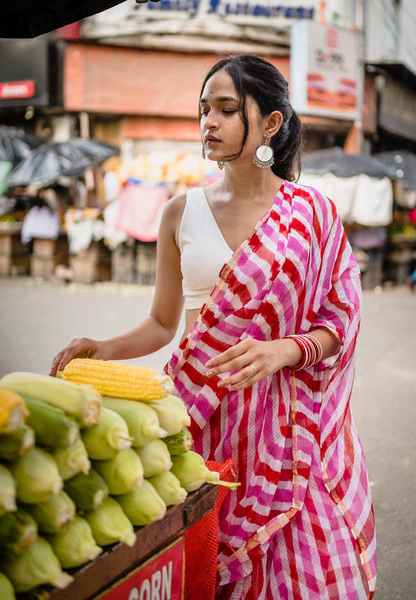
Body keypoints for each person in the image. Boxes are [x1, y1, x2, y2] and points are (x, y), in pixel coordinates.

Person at [51, 55, 376, 599]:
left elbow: (340, 320)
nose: (209, 122)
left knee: (293, 576)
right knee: (205, 562)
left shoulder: (312, 212)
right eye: (205, 110)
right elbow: (161, 323)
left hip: (292, 433)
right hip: (203, 418)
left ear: (270, 123)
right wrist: (102, 347)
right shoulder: (181, 211)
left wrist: (284, 351)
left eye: (227, 110)